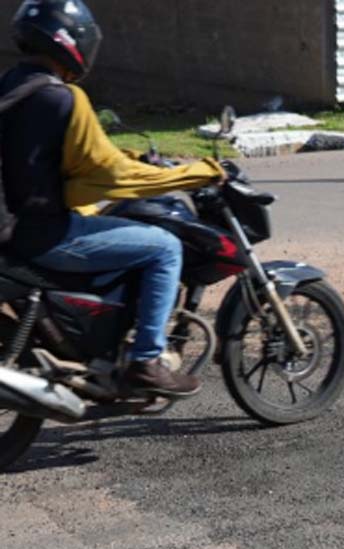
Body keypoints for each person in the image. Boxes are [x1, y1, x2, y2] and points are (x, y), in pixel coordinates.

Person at [0, 0, 225, 398]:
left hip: (11, 228)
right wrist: (196, 173)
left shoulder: (10, 87)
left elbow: (58, 158)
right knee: (165, 247)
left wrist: (134, 157)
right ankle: (145, 362)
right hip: (41, 233)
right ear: (73, 41)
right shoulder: (65, 98)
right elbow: (111, 173)